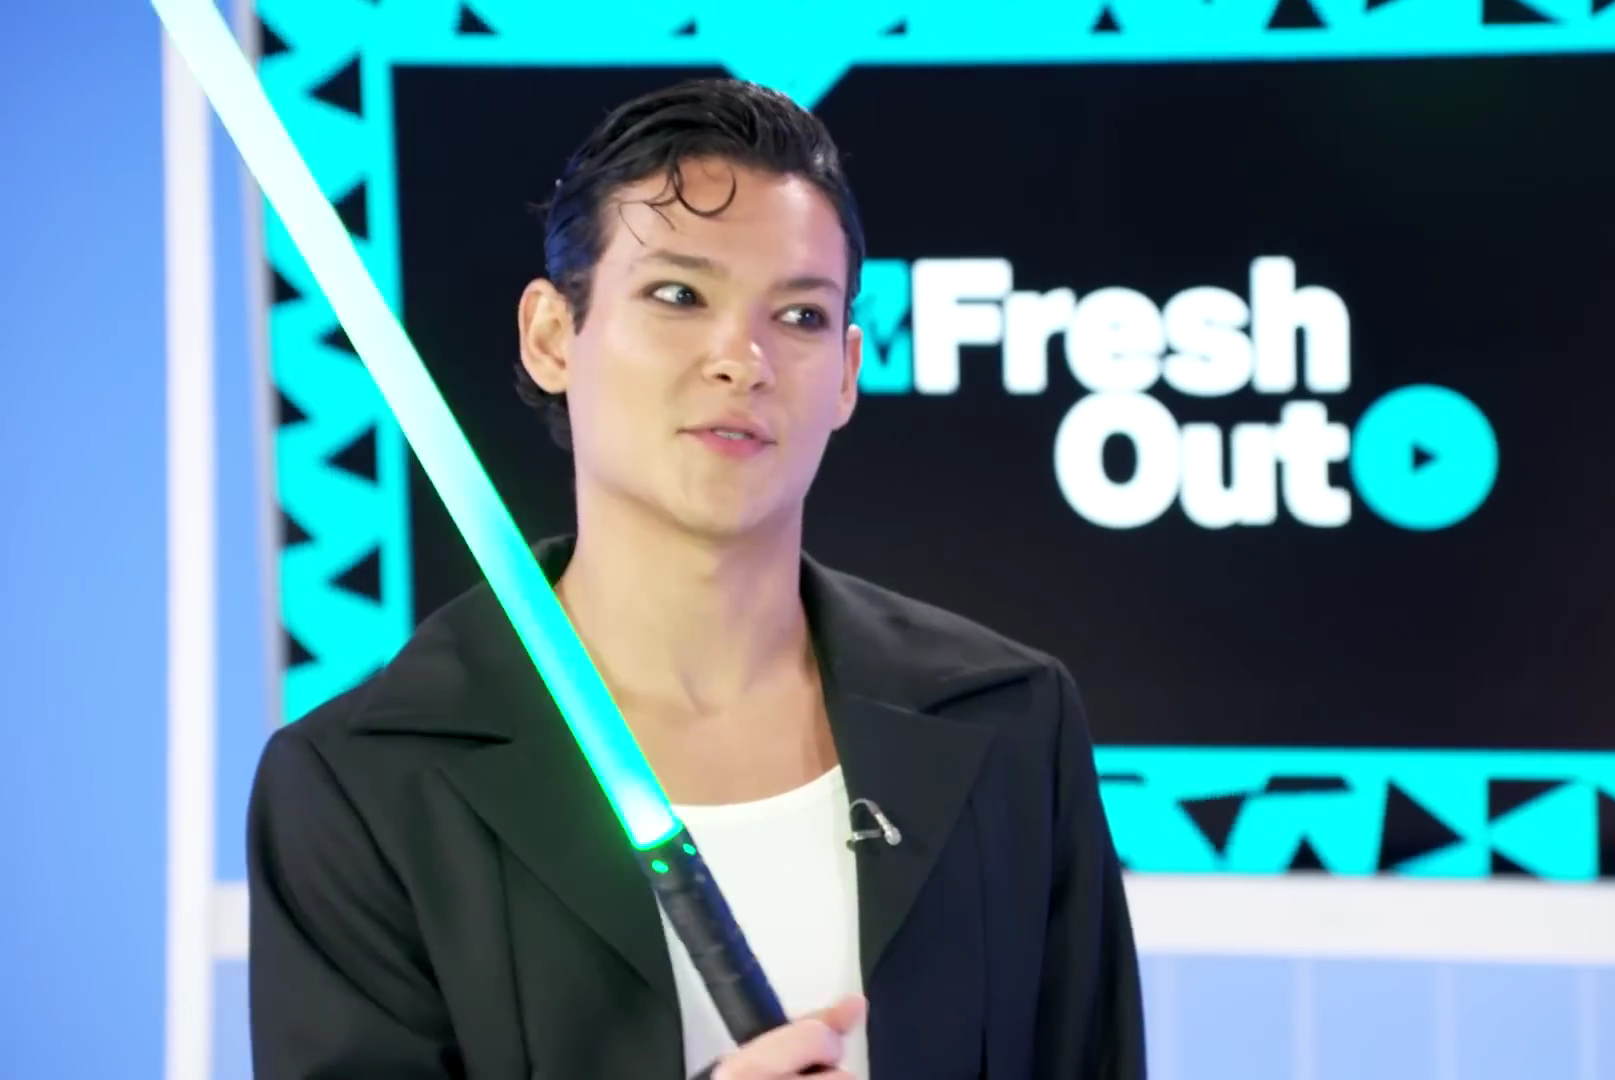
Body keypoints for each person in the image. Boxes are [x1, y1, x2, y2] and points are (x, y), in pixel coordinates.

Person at [246, 76, 1146, 1080]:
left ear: (847, 373)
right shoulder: (361, 784)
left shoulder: (1013, 724)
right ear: (551, 336)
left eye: (799, 316)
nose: (742, 359)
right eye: (679, 296)